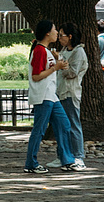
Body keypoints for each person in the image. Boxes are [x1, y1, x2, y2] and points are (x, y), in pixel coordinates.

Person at [25, 19, 82, 173]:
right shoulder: (39, 50)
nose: (57, 33)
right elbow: (37, 76)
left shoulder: (46, 51)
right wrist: (56, 67)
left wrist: (57, 61)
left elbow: (46, 69)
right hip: (43, 96)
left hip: (51, 96)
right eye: (55, 30)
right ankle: (31, 163)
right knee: (39, 130)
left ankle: (67, 160)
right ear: (47, 33)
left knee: (64, 124)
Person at [56, 24, 89, 162]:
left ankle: (78, 155)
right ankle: (64, 155)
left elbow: (72, 73)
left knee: (73, 124)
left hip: (70, 93)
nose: (59, 38)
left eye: (61, 35)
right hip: (60, 91)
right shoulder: (64, 50)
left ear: (70, 37)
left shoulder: (78, 52)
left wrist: (60, 63)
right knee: (61, 126)